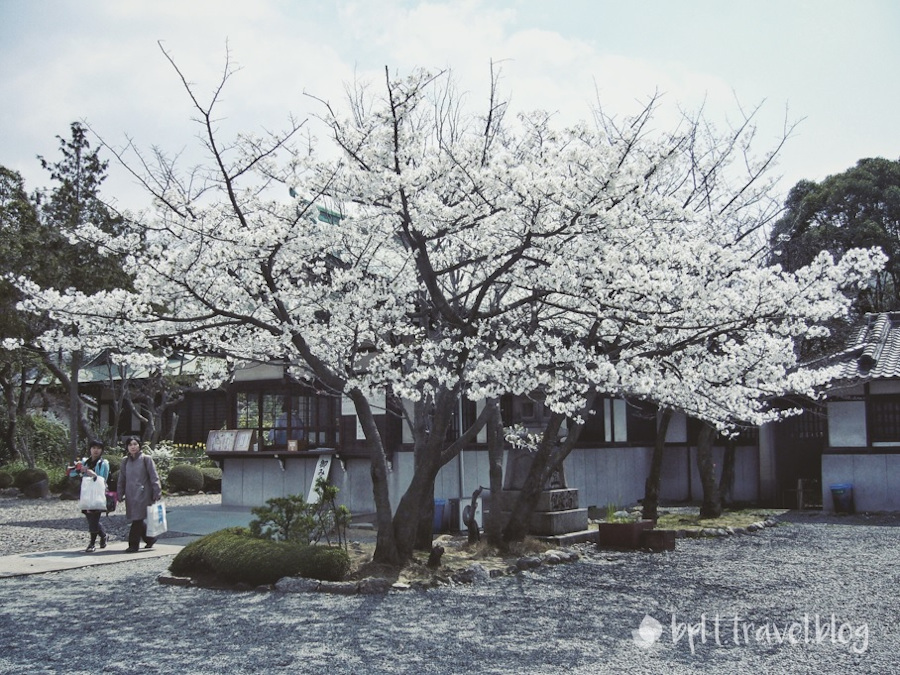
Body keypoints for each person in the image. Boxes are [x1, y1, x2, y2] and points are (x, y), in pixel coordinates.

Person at [117, 436, 162, 553]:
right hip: (130, 494)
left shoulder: (146, 459)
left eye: (135, 444)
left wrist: (157, 491)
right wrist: (120, 492)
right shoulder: (125, 461)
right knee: (138, 519)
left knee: (137, 520)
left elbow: (154, 476)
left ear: (139, 445)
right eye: (130, 444)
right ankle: (150, 539)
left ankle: (133, 545)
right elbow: (122, 478)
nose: (133, 447)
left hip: (144, 494)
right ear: (127, 447)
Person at [69, 440, 110, 553]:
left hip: (97, 493)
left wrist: (94, 474)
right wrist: (77, 469)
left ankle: (92, 543)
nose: (96, 450)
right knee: (90, 519)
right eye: (93, 448)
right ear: (90, 449)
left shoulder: (103, 463)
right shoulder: (84, 462)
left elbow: (103, 479)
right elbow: (72, 474)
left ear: (101, 450)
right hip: (86, 493)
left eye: (98, 448)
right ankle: (103, 535)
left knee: (94, 518)